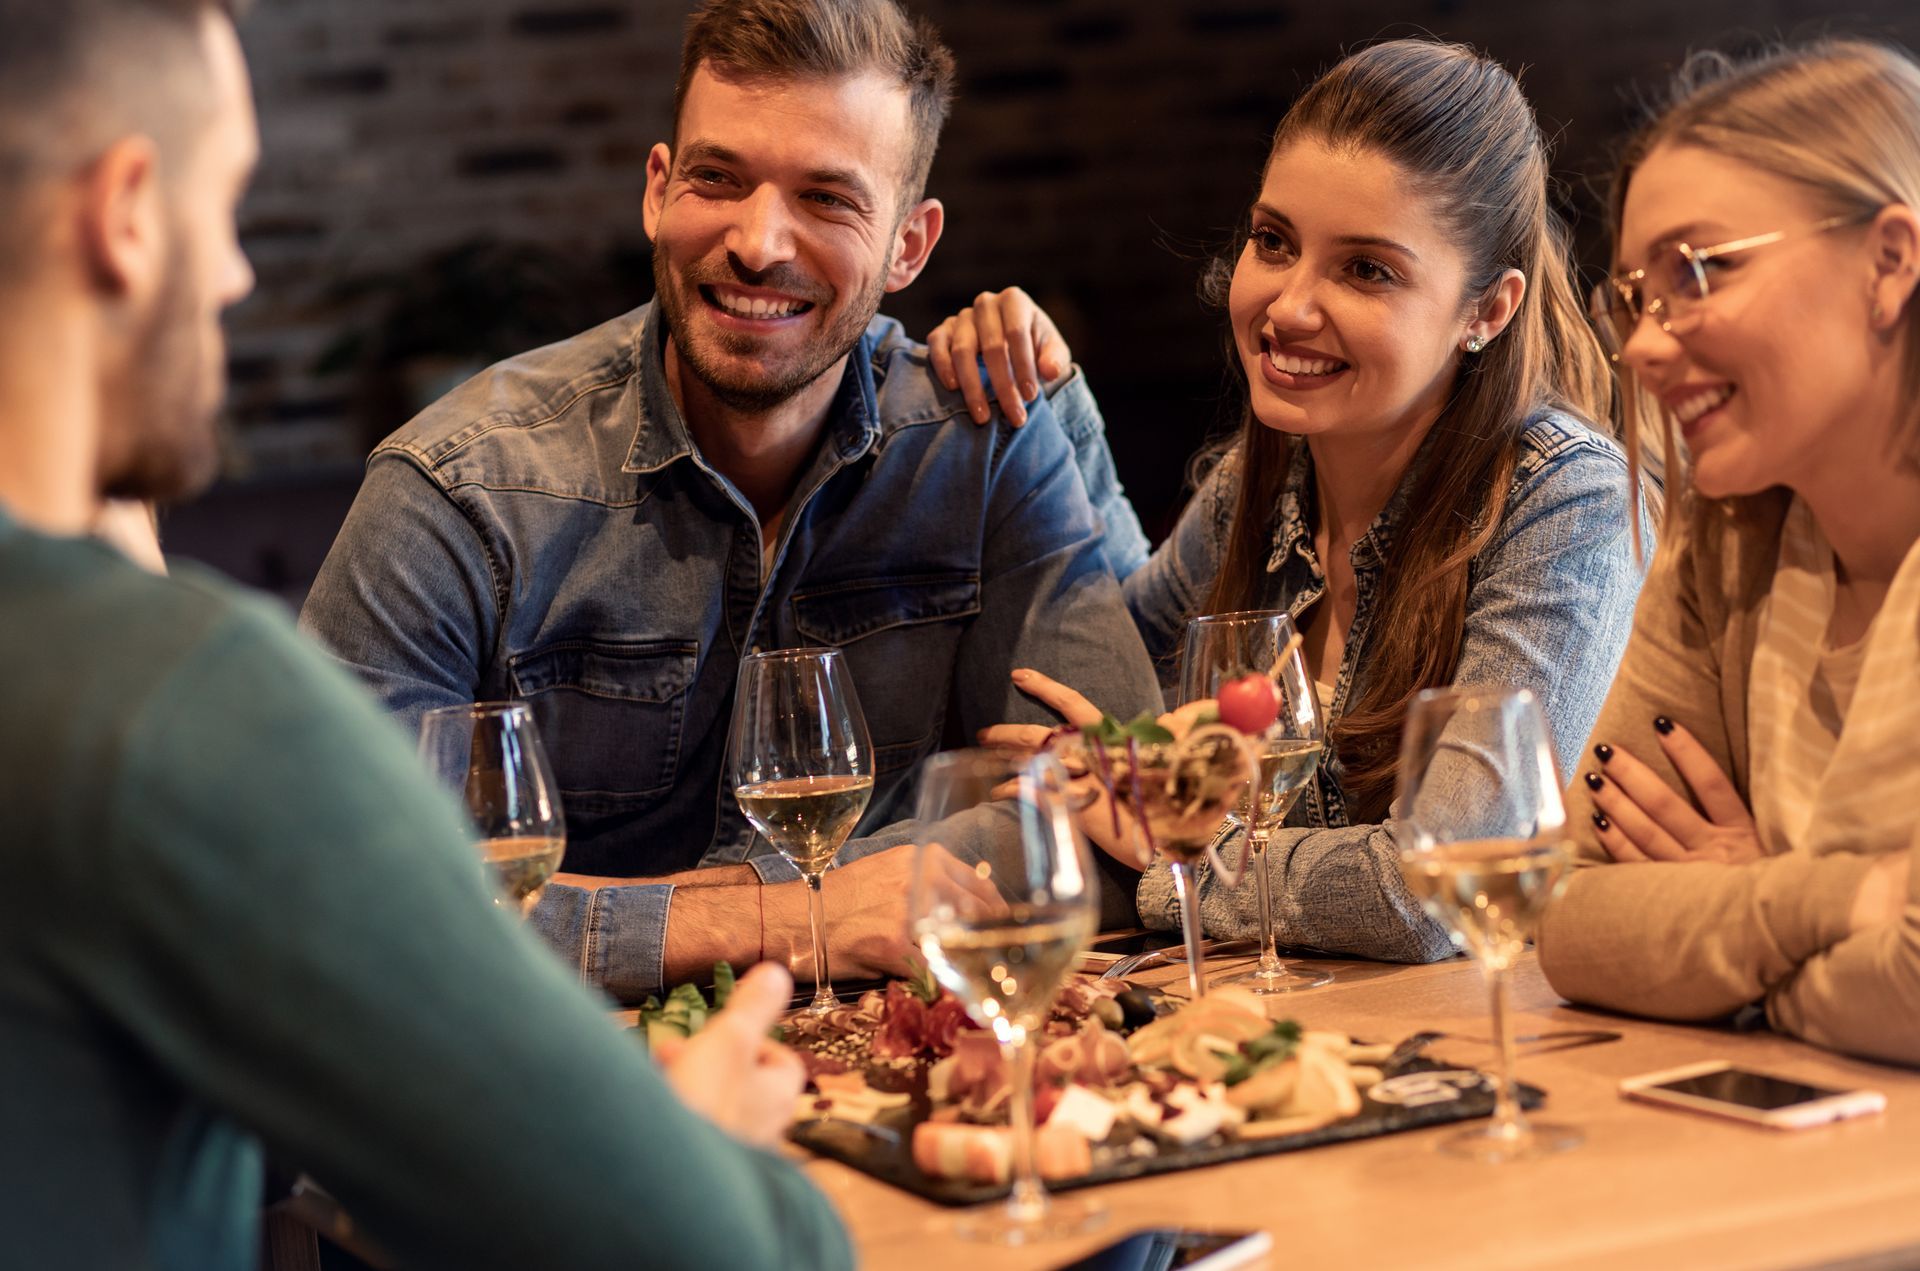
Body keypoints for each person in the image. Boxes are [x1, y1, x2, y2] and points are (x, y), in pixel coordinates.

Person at [0, 2, 852, 1266]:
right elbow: (717, 1248)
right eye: (225, 200)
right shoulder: (175, 700)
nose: (233, 275)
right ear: (127, 210)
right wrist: (711, 1148)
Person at [298, 0, 1161, 1002]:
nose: (758, 242)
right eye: (718, 178)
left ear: (909, 247)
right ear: (658, 191)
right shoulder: (461, 491)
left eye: (828, 199)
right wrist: (789, 919)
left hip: (883, 1093)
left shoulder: (988, 447)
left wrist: (610, 916)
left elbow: (1123, 830)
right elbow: (332, 890)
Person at [951, 40, 1648, 963]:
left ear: (1486, 310)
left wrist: (1181, 858)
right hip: (1317, 1031)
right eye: (1273, 242)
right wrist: (1045, 393)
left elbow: (1438, 884)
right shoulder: (1270, 470)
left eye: (1367, 270)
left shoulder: (1566, 497)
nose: (1288, 307)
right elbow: (1119, 658)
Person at [1539, 40, 1920, 1067]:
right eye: (1637, 296)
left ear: (1889, 261)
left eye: (1698, 273)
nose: (1642, 346)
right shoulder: (1729, 534)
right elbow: (1570, 917)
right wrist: (1834, 895)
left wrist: (1728, 945)